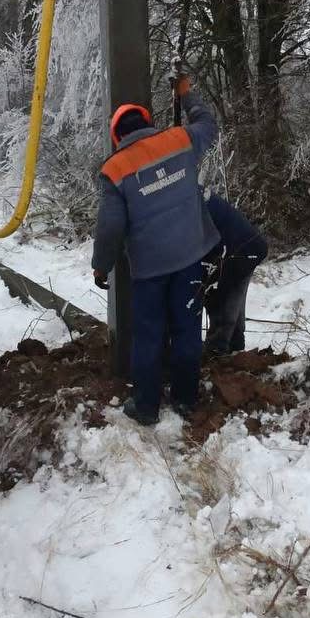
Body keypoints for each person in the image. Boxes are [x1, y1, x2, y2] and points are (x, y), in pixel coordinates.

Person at [92, 76, 219, 425]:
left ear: (117, 136)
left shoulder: (114, 170)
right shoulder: (180, 140)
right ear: (148, 123)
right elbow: (208, 124)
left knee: (147, 335)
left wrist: (101, 266)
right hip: (191, 257)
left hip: (149, 270)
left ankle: (146, 406)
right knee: (187, 328)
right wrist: (186, 96)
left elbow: (110, 227)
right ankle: (185, 400)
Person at [202, 194, 268, 355]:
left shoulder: (184, 205)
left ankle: (218, 354)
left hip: (238, 249)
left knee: (219, 301)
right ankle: (236, 351)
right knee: (231, 303)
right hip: (247, 245)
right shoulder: (190, 193)